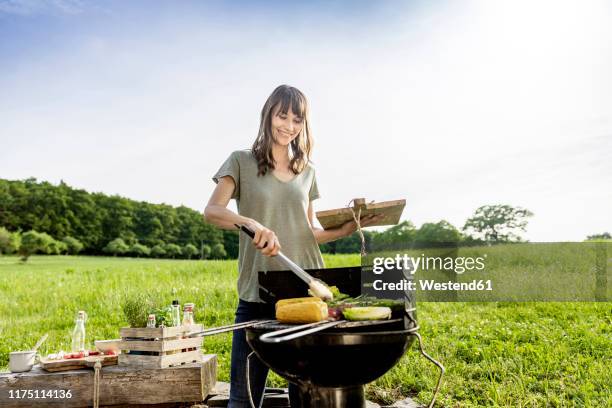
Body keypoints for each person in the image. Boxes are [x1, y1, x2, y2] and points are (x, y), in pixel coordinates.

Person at [204, 84, 380, 408]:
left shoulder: (308, 170)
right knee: (242, 401)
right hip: (258, 293)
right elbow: (212, 211)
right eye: (282, 116)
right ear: (268, 115)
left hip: (307, 291)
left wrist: (344, 229)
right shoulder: (241, 160)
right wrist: (252, 223)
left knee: (307, 398)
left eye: (297, 119)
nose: (288, 126)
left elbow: (307, 231)